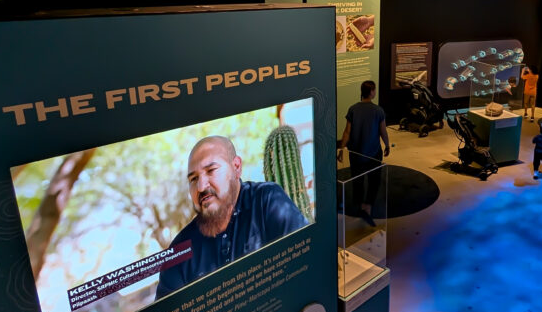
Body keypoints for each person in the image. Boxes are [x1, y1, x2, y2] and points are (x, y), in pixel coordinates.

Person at [155, 136, 308, 299]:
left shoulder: (266, 201)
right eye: (193, 179)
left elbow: (305, 265)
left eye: (211, 171)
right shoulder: (179, 253)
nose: (201, 187)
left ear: (236, 167)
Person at [337, 80, 390, 227]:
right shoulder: (378, 110)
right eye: (374, 90)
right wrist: (387, 145)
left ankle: (360, 206)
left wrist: (341, 148)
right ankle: (368, 207)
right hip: (373, 153)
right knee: (374, 181)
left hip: (356, 153)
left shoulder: (353, 109)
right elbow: (383, 131)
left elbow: (347, 131)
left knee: (357, 181)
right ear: (372, 92)